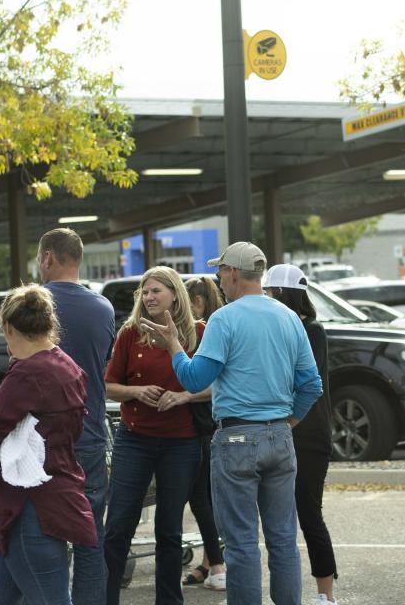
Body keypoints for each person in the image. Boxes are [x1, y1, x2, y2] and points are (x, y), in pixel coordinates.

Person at [141, 241, 323, 605]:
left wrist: (174, 345)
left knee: (240, 543)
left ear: (234, 273)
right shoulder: (288, 316)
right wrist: (287, 423)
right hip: (278, 436)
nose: (218, 278)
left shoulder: (225, 318)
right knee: (283, 539)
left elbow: (194, 379)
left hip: (237, 437)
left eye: (221, 270)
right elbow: (311, 385)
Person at [0, 284, 96, 604]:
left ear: (9, 328)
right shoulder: (68, 366)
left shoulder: (26, 373)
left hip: (26, 506)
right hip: (59, 491)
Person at [103, 267, 207, 603]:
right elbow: (108, 386)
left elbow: (215, 385)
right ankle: (105, 597)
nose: (149, 297)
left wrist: (185, 396)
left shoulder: (199, 333)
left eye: (156, 291)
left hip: (182, 442)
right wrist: (136, 391)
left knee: (169, 530)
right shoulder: (130, 333)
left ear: (175, 294)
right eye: (145, 292)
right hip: (135, 439)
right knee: (119, 525)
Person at [36, 228, 115, 605]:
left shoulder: (33, 305)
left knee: (42, 535)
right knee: (89, 537)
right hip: (89, 437)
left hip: (40, 440)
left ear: (48, 257)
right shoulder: (103, 309)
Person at [263, 264, 338, 605]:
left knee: (308, 515)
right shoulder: (274, 327)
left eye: (270, 292)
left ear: (285, 294)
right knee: (277, 521)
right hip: (278, 431)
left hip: (308, 436)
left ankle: (326, 595)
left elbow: (303, 383)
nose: (266, 298)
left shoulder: (312, 330)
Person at [181, 276, 226, 590]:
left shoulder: (206, 332)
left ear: (196, 302)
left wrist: (183, 394)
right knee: (207, 499)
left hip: (206, 427)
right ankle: (211, 562)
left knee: (202, 499)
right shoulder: (216, 326)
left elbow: (211, 385)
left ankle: (217, 564)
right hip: (209, 426)